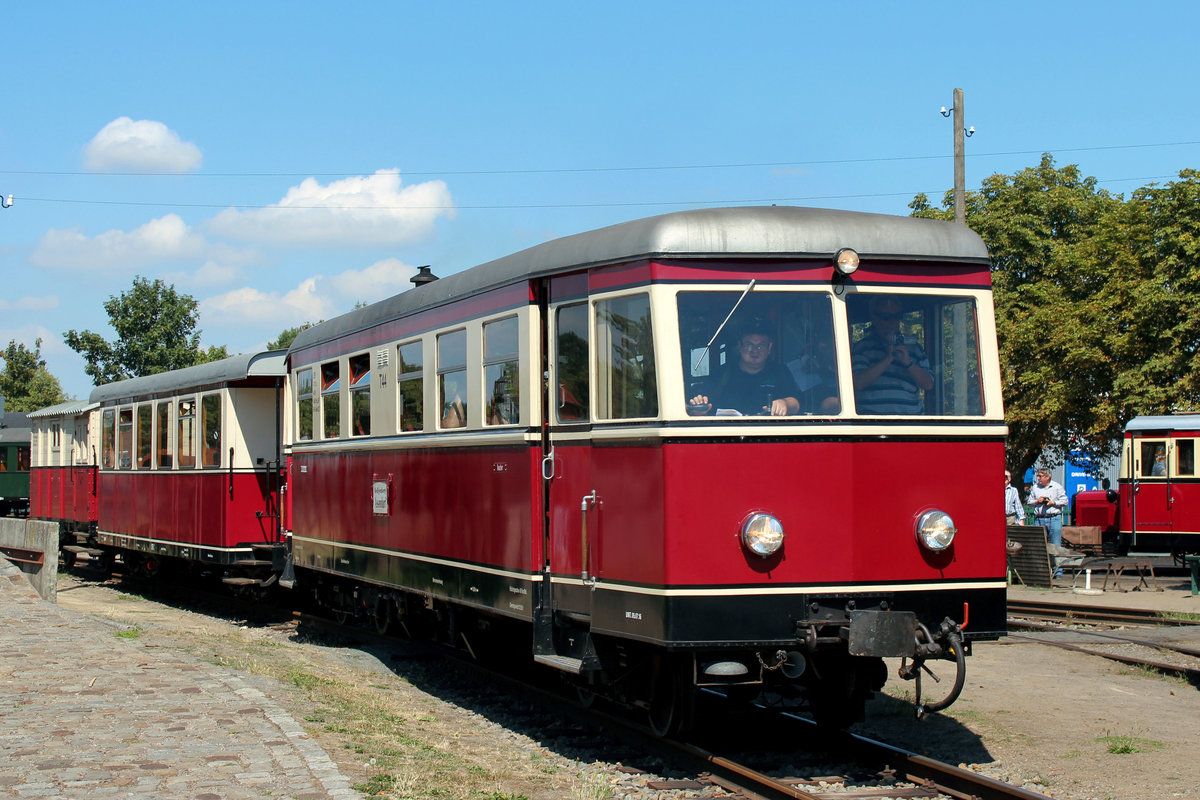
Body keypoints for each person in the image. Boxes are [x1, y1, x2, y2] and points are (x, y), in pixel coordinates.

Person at [688, 325, 800, 416]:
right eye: (749, 346)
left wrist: (785, 403)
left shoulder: (780, 372)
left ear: (769, 348)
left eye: (760, 346)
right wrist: (698, 409)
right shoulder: (721, 375)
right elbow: (700, 406)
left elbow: (797, 403)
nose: (755, 351)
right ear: (740, 346)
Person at [851, 297, 934, 414]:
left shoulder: (915, 348)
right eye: (886, 317)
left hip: (910, 423)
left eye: (897, 317)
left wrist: (908, 363)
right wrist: (889, 358)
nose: (892, 322)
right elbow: (858, 383)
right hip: (871, 423)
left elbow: (928, 384)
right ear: (874, 317)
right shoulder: (863, 348)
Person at [1028, 467, 1068, 548]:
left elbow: (1065, 501)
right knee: (1038, 545)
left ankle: (1055, 560)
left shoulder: (1057, 487)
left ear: (1047, 477)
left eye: (1040, 476)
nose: (1038, 478)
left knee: (1055, 545)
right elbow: (1029, 502)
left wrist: (1053, 503)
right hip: (1039, 519)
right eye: (1037, 476)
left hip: (1054, 519)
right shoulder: (1035, 487)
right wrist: (1037, 501)